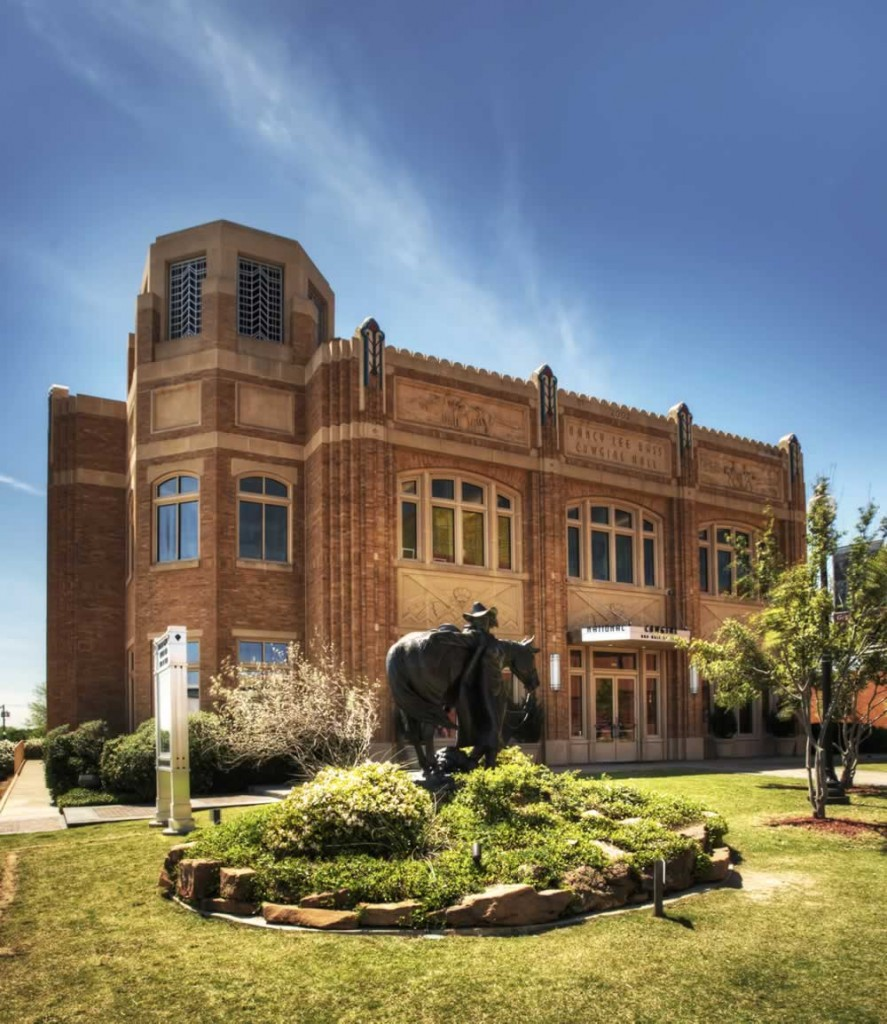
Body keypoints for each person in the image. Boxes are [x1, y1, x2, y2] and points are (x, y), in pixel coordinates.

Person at [460, 602, 505, 764]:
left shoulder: (490, 641)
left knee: (494, 725)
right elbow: (469, 671)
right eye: (479, 620)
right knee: (491, 725)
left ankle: (486, 765)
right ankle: (476, 761)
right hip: (482, 689)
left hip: (495, 688)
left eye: (486, 619)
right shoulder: (473, 639)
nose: (483, 623)